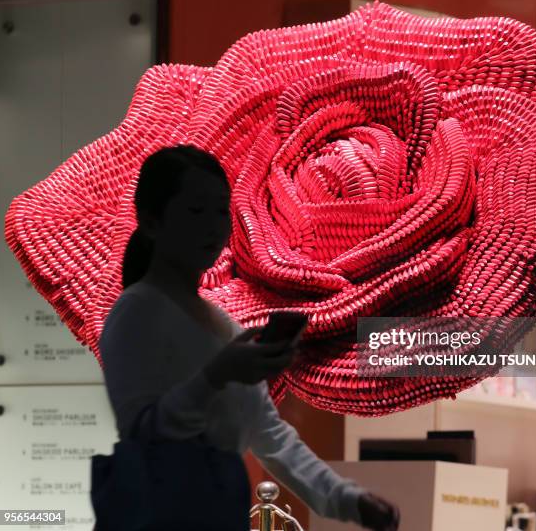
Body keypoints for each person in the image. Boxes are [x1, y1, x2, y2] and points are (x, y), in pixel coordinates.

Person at [98, 144, 400, 530]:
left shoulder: (225, 328)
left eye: (221, 211)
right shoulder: (136, 312)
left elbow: (270, 435)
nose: (212, 225)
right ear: (151, 221)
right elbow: (144, 433)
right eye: (195, 210)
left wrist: (349, 500)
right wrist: (217, 375)